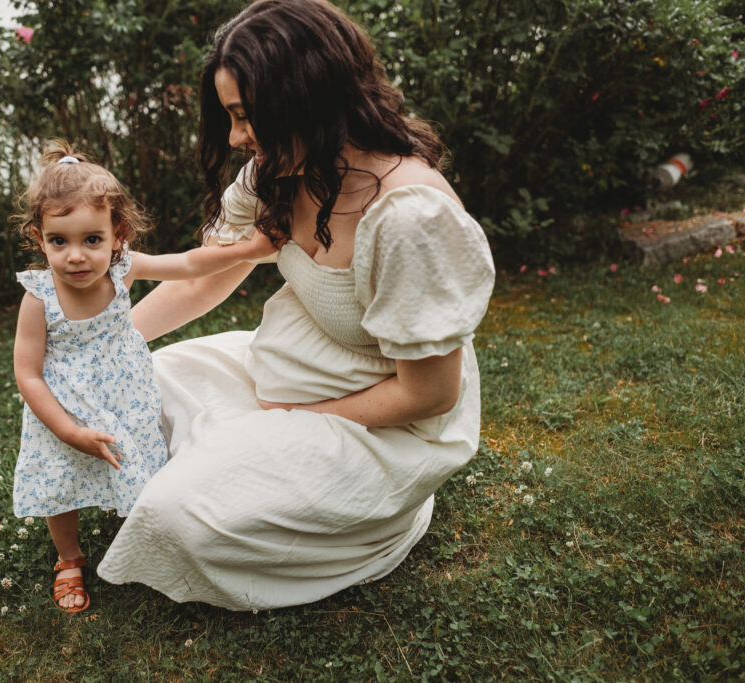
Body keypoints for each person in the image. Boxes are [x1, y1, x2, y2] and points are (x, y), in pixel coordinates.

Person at [96, 0, 496, 610]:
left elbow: (431, 394)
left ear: (309, 94)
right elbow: (210, 274)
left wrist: (304, 417)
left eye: (247, 115)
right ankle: (248, 460)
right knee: (127, 386)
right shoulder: (278, 172)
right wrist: (104, 346)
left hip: (383, 423)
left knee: (181, 515)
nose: (235, 138)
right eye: (231, 116)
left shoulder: (411, 218)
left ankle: (378, 529)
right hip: (286, 370)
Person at [11, 141, 277, 614]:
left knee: (137, 461)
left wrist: (254, 247)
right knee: (61, 481)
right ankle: (68, 558)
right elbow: (28, 374)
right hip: (63, 405)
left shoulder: (124, 268)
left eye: (91, 239)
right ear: (39, 236)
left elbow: (192, 264)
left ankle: (147, 533)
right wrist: (67, 429)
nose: (76, 256)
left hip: (124, 395)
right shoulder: (39, 297)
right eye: (59, 241)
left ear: (118, 234)